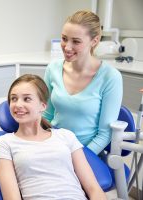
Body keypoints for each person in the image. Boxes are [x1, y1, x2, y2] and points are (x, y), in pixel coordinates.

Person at [0, 74, 106, 200]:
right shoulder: (4, 143)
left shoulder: (65, 136)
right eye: (13, 99)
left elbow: (93, 188)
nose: (18, 104)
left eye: (26, 99)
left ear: (43, 106)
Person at [43, 10, 123, 155]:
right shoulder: (53, 69)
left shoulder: (110, 78)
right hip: (53, 147)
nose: (67, 47)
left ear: (95, 41)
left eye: (76, 41)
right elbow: (46, 116)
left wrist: (78, 159)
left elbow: (104, 134)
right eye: (64, 38)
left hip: (86, 153)